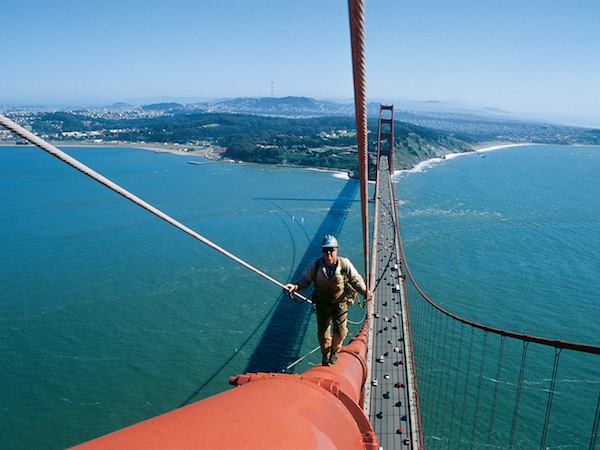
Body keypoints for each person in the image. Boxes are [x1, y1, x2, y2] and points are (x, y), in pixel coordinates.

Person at [284, 235, 372, 366]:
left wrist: (364, 291)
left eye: (331, 250)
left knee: (341, 332)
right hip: (322, 305)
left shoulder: (345, 264)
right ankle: (326, 354)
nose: (328, 254)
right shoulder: (315, 265)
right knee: (323, 336)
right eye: (325, 250)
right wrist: (295, 286)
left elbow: (356, 280)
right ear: (322, 252)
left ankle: (334, 352)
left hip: (340, 304)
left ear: (337, 251)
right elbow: (305, 280)